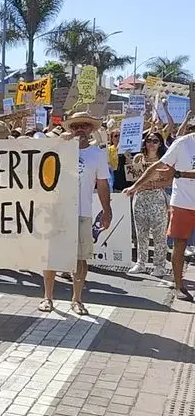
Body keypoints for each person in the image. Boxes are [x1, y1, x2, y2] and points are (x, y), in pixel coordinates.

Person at [39, 112, 111, 316]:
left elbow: (103, 184)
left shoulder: (97, 154)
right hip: (58, 210)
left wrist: (107, 210)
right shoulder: (59, 149)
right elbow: (42, 163)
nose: (80, 129)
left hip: (83, 211)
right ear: (69, 128)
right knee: (51, 256)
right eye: (76, 126)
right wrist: (63, 141)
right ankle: (47, 297)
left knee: (80, 259)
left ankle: (77, 299)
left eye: (85, 126)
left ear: (91, 130)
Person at [127, 129, 195, 301]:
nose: (151, 143)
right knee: (179, 243)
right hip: (183, 203)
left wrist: (179, 174)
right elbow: (156, 167)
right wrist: (135, 186)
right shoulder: (182, 144)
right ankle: (179, 286)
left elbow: (172, 174)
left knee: (165, 239)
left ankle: (160, 267)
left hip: (165, 200)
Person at [124, 133, 170, 276]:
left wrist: (152, 185)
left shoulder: (164, 160)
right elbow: (133, 178)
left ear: (160, 144)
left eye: (155, 141)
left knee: (159, 233)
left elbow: (169, 181)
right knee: (141, 232)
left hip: (157, 198)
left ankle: (159, 265)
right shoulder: (139, 158)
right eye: (149, 140)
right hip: (140, 198)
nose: (151, 143)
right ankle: (141, 263)